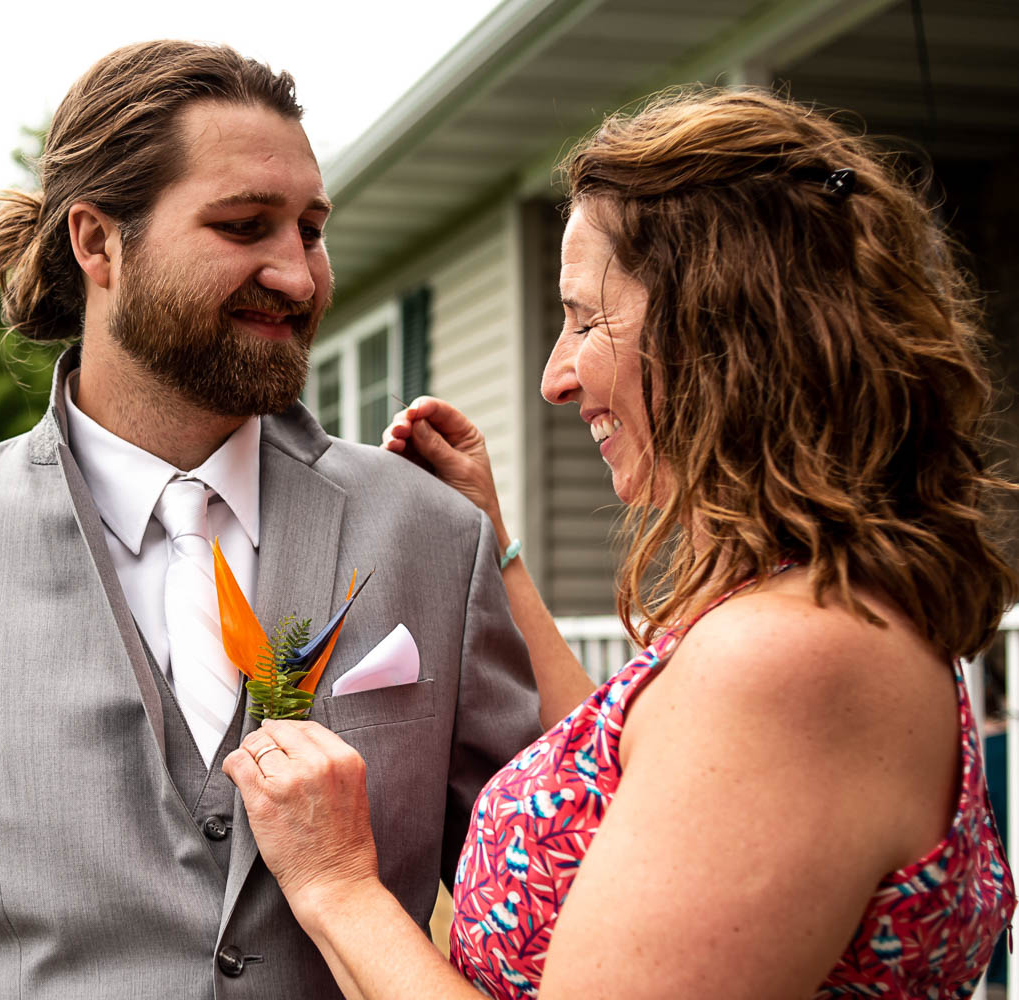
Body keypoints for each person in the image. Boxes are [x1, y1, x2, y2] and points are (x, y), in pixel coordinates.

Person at [0, 40, 540, 998]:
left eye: (312, 230)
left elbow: (542, 896)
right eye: (246, 225)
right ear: (97, 243)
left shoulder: (434, 535)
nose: (297, 275)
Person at [224, 87, 1018, 999]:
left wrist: (336, 884)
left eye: (587, 319)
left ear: (725, 332)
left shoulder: (793, 662)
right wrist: (496, 547)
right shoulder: (808, 611)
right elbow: (628, 769)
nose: (555, 378)